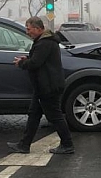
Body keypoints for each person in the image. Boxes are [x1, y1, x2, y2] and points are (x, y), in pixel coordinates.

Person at [7, 16, 75, 155]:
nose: (27, 32)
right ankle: (24, 145)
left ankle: (67, 144)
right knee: (34, 114)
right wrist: (28, 59)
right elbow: (39, 60)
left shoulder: (45, 43)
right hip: (43, 86)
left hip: (48, 86)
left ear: (38, 29)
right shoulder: (44, 42)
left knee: (55, 116)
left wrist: (22, 63)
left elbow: (35, 63)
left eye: (29, 29)